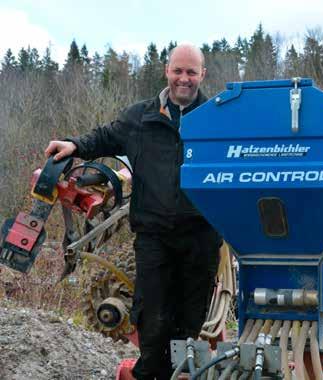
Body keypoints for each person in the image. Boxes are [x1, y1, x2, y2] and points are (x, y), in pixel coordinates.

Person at [45, 43, 221, 380]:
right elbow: (106, 136)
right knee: (152, 321)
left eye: (191, 72)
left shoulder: (217, 119)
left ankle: (181, 374)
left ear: (203, 74)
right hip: (154, 236)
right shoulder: (140, 118)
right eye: (178, 71)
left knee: (189, 323)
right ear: (166, 71)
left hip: (201, 236)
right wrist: (75, 145)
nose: (184, 79)